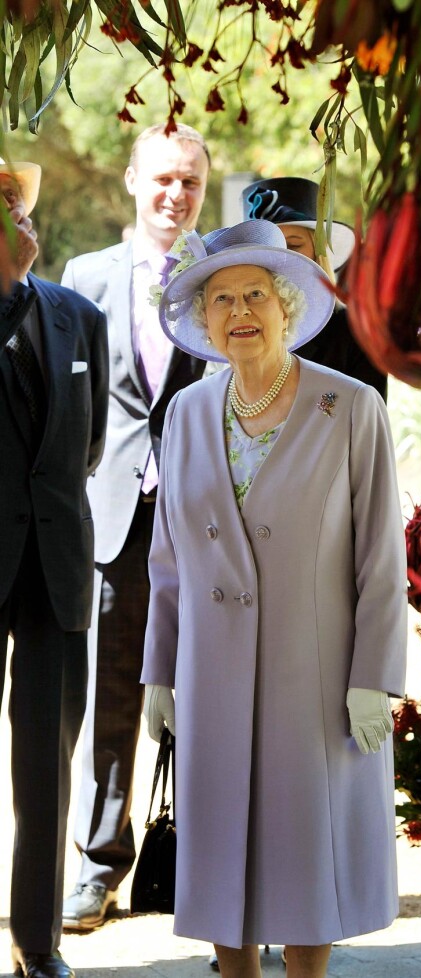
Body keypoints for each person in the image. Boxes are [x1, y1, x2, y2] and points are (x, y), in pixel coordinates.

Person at [140, 220, 407, 978]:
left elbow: (381, 559)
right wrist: (159, 672)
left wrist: (373, 678)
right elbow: (168, 562)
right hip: (212, 677)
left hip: (314, 678)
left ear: (288, 304)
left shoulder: (351, 408)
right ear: (203, 320)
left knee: (301, 860)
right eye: (220, 298)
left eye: (256, 292)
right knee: (223, 853)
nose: (239, 311)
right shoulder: (188, 413)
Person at [60, 123, 211, 932]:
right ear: (130, 180)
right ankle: (97, 865)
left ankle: (207, 861)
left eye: (188, 181)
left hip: (205, 524)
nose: (174, 195)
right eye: (160, 180)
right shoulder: (84, 277)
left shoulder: (224, 279)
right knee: (110, 696)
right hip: (113, 523)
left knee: (213, 696)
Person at [0, 158, 108, 978]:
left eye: (18, 202)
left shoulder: (78, 317)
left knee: (47, 763)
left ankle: (39, 946)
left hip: (57, 566)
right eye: (0, 205)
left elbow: (90, 442)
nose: (17, 215)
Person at [241, 175, 386, 396]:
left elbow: (369, 424)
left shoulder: (357, 331)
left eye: (293, 245)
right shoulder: (234, 328)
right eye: (268, 248)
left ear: (317, 253)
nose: (282, 258)